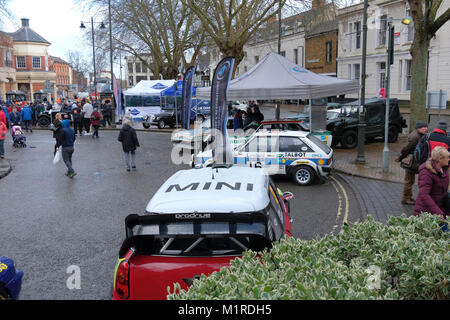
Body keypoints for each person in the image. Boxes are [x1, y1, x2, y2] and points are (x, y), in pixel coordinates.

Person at [395, 121, 428, 205]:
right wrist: (400, 158)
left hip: (414, 161)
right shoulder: (414, 137)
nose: (425, 129)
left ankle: (409, 197)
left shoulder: (420, 135)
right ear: (418, 128)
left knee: (411, 180)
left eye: (426, 127)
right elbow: (406, 149)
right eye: (423, 127)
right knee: (409, 181)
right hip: (410, 162)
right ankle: (405, 199)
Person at [414, 146, 450, 219]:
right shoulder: (426, 172)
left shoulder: (444, 169)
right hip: (426, 212)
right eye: (447, 157)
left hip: (440, 209)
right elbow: (424, 194)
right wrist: (438, 212)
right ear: (440, 159)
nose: (449, 159)